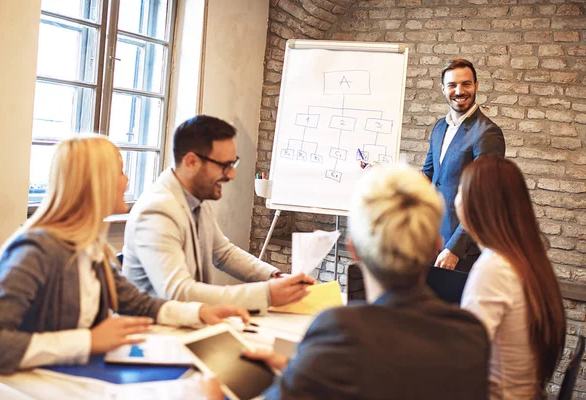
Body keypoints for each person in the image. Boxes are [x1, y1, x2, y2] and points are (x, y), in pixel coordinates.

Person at [0, 136, 249, 374]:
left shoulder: (92, 249)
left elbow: (138, 304)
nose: (127, 180)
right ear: (95, 182)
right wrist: (88, 341)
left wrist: (200, 313)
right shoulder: (36, 251)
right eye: (120, 171)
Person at [241, 164, 491, 399]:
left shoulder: (341, 332)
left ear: (354, 250)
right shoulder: (471, 334)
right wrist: (299, 371)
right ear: (435, 248)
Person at [123, 115, 314, 313]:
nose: (232, 175)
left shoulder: (195, 197)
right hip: (152, 335)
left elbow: (223, 254)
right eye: (225, 166)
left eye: (233, 164)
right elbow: (178, 292)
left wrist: (274, 277)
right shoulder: (157, 211)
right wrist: (266, 294)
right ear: (191, 162)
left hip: (190, 325)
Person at [458, 156, 566, 399]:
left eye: (459, 192)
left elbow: (461, 362)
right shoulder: (526, 259)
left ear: (475, 205)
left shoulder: (494, 267)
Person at [422, 58, 505, 272]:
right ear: (443, 89)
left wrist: (455, 249)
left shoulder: (487, 133)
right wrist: (387, 176)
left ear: (476, 85)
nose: (459, 91)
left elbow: (483, 199)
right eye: (452, 85)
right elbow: (428, 175)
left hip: (463, 251)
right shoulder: (440, 127)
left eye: (466, 84)